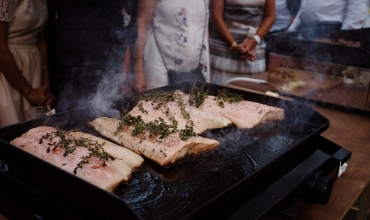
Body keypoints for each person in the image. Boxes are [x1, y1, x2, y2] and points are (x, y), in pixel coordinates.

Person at [134, 0, 211, 92]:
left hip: (196, 65)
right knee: (158, 103)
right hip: (159, 64)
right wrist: (138, 68)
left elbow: (203, 27)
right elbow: (142, 24)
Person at [0, 0, 55, 126]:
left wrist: (45, 81)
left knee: (39, 129)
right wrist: (29, 92)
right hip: (8, 65)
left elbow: (40, 39)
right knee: (12, 130)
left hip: (34, 65)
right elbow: (1, 50)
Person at [209, 0, 275, 85]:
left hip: (254, 50)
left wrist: (254, 41)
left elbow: (270, 16)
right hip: (224, 50)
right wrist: (234, 45)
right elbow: (216, 17)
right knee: (220, 92)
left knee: (252, 91)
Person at [287, 0, 368, 32]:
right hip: (307, 31)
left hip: (331, 32)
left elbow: (357, 8)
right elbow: (305, 7)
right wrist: (292, 28)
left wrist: (345, 37)